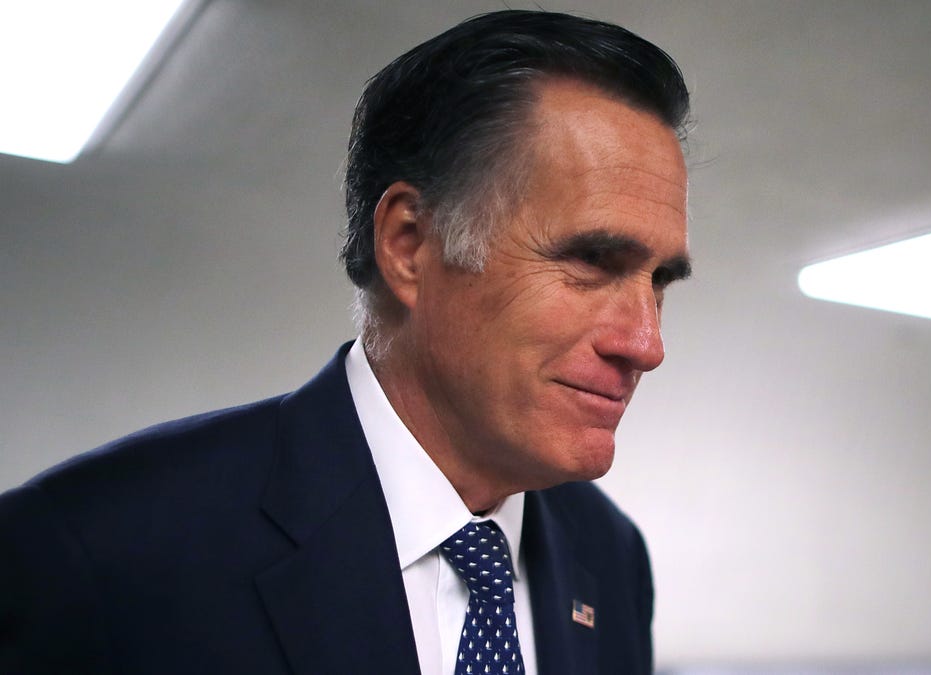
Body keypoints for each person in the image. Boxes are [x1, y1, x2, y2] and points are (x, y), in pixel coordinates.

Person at [0, 9, 691, 675]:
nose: (646, 343)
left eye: (658, 280)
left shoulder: (609, 554)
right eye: (592, 261)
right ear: (409, 245)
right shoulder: (96, 551)